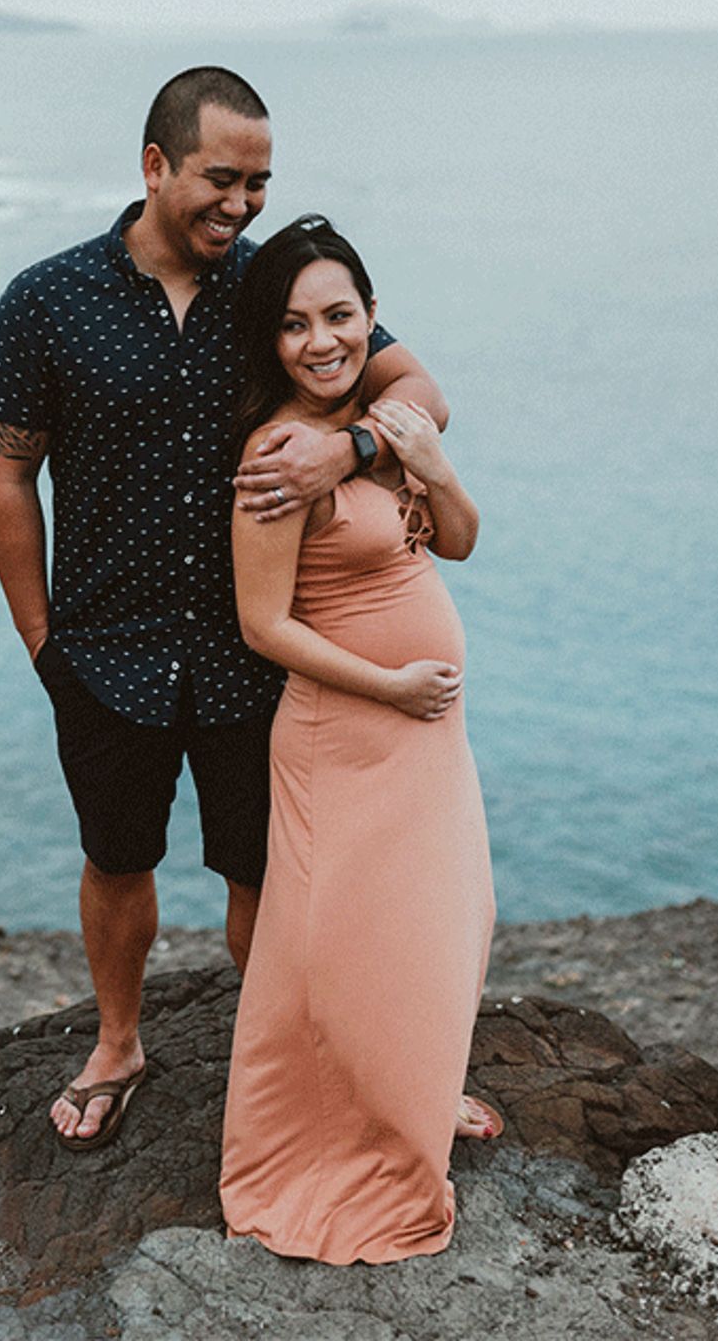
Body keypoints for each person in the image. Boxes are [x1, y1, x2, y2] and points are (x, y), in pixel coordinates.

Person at [0, 67, 448, 1150]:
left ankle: (279, 1054)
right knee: (116, 860)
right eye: (221, 179)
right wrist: (41, 639)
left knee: (262, 873)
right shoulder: (46, 301)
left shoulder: (273, 290)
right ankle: (118, 1041)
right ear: (155, 165)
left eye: (260, 184)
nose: (241, 205)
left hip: (258, 652)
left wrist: (351, 444)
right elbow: (8, 476)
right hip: (102, 651)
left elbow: (424, 390)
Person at [218, 215, 497, 1263]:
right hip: (352, 727)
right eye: (294, 325)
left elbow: (458, 541)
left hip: (427, 729)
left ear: (375, 321)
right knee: (345, 946)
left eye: (340, 316)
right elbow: (264, 625)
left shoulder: (388, 424)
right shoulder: (279, 454)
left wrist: (431, 459)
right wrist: (389, 684)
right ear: (273, 343)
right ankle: (344, 1132)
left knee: (442, 922)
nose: (320, 339)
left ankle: (417, 1085)